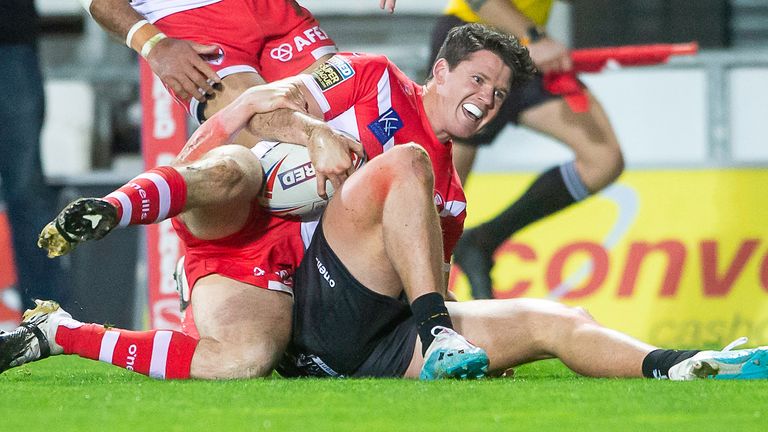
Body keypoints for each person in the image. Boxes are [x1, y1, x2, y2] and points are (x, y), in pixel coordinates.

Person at [3, 24, 534, 380]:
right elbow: (262, 110)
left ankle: (60, 333)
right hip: (240, 196)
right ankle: (116, 208)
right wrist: (314, 134)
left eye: (498, 94)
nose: (484, 99)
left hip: (286, 265)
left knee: (245, 360)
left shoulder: (449, 191)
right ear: (441, 72)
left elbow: (425, 280)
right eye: (479, 81)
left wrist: (453, 339)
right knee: (241, 169)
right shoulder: (369, 75)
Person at [429, 0, 624, 299]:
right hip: (473, 41)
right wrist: (534, 37)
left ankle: (481, 242)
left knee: (604, 159)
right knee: (440, 200)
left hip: (524, 54)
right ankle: (421, 307)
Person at [82, 0, 395, 147]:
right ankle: (219, 265)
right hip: (187, 23)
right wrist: (154, 46)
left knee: (366, 129)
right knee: (275, 145)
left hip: (273, 10)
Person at [0, 0, 68, 308]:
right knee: (27, 189)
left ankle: (47, 318)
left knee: (27, 191)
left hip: (11, 41)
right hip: (13, 47)